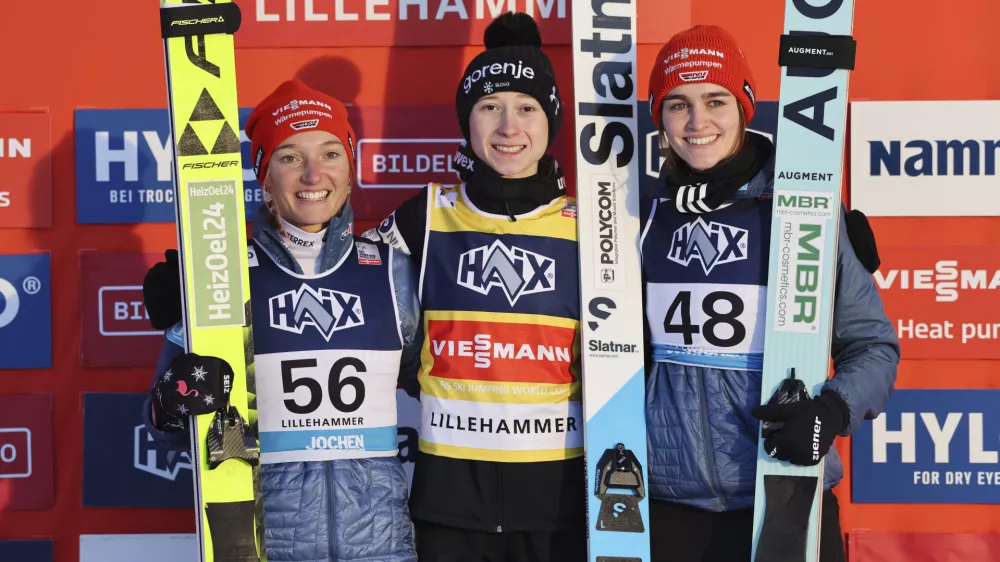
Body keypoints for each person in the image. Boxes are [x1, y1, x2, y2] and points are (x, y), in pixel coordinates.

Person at [639, 25, 900, 562]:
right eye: (677, 104)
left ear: (745, 107)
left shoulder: (802, 209)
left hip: (785, 488)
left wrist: (830, 410)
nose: (697, 122)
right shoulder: (637, 216)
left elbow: (873, 345)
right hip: (664, 505)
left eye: (716, 100)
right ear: (659, 119)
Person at [141, 79, 420, 562]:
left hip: (381, 545)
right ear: (264, 177)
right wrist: (175, 399)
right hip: (265, 545)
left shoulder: (393, 269)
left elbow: (435, 385)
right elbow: (158, 423)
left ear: (350, 168)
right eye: (290, 157)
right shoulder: (223, 276)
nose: (313, 174)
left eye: (330, 153)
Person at [360, 12, 586, 562]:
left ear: (550, 120)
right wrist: (199, 292)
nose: (509, 127)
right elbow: (336, 276)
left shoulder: (590, 227)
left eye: (527, 108)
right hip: (448, 503)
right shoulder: (429, 216)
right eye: (490, 107)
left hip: (559, 505)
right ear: (468, 120)